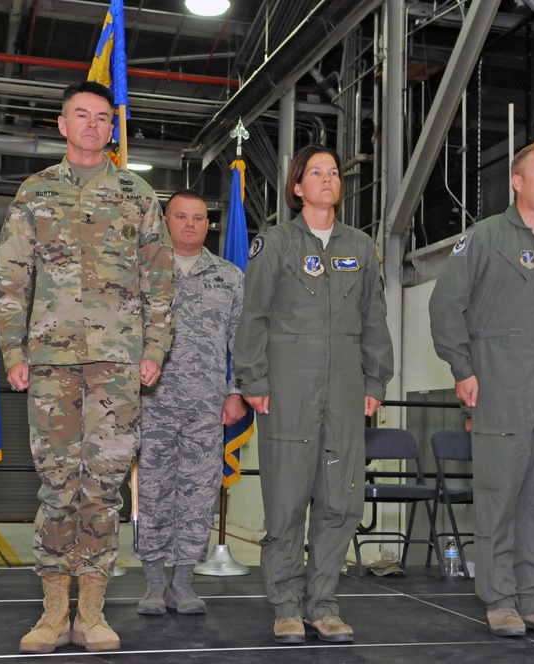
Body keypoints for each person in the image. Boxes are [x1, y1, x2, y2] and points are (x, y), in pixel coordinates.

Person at [0, 80, 174, 654]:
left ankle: (91, 614)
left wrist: (154, 350)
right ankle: (52, 614)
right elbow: (12, 279)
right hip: (50, 365)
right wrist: (13, 352)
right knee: (56, 486)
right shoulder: (34, 193)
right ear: (63, 124)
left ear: (112, 128)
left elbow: (160, 281)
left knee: (103, 488)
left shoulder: (137, 194)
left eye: (102, 117)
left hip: (118, 365)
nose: (93, 125)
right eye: (82, 115)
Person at [428, 141, 534, 638]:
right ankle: (501, 600)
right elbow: (445, 307)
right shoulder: (485, 238)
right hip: (498, 383)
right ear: (517, 182)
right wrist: (463, 370)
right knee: (499, 493)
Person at [232, 144, 394, 645]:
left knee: (340, 502)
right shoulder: (275, 244)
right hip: (288, 388)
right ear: (297, 187)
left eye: (334, 172)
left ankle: (322, 603)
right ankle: (285, 604)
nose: (328, 179)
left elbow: (374, 320)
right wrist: (253, 380)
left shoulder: (362, 248)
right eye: (316, 173)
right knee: (286, 502)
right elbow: (253, 316)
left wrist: (375, 381)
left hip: (345, 389)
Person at [136, 189, 246, 616]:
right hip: (152, 401)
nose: (190, 225)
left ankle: (183, 584)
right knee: (154, 490)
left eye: (199, 218)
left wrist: (236, 391)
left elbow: (243, 342)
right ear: (166, 220)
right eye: (181, 217)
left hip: (207, 405)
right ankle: (152, 583)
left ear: (207, 224)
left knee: (199, 493)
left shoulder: (230, 276)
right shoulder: (145, 270)